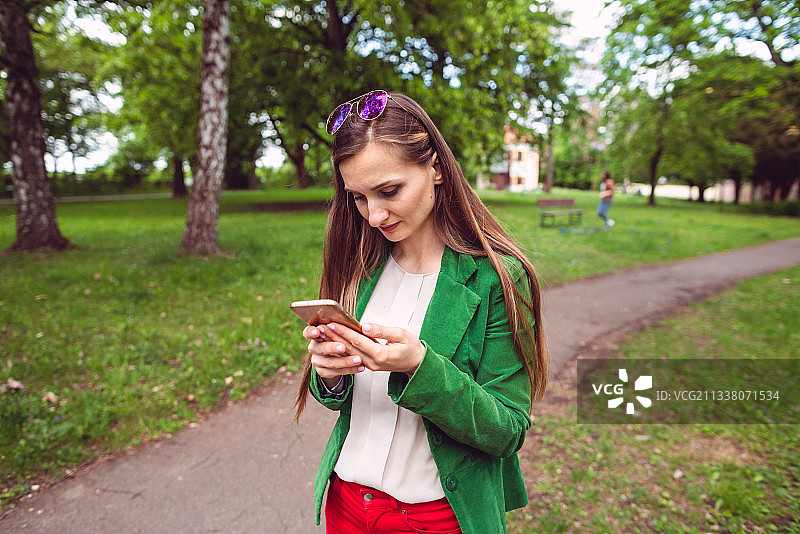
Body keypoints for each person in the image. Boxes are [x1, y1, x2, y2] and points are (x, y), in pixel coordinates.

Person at [294, 90, 547, 534]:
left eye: (389, 191)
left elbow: (507, 430)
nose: (373, 215)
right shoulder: (360, 267)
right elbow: (338, 398)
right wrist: (330, 374)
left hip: (435, 517)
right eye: (357, 197)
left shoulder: (497, 279)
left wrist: (421, 367)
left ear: (434, 169)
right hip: (347, 503)